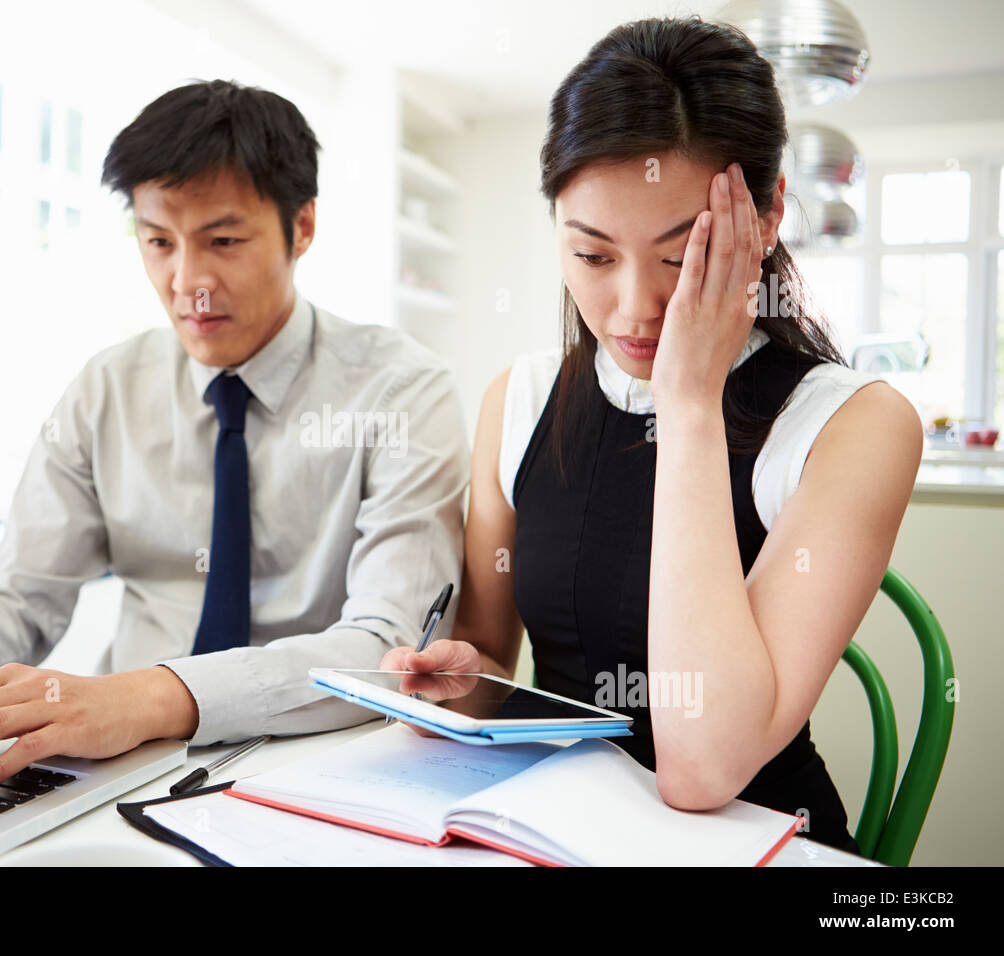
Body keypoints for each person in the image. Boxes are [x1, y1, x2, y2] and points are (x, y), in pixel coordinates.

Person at [383, 16, 922, 855]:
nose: (635, 310)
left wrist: (690, 402)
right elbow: (491, 653)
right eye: (593, 256)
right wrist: (455, 685)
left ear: (768, 216)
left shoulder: (856, 425)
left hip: (757, 840)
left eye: (680, 258)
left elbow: (702, 771)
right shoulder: (519, 399)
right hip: (554, 827)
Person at [0, 79, 470, 797]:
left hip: (319, 771)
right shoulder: (107, 389)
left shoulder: (403, 392)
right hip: (118, 768)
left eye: (223, 241)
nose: (187, 281)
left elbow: (387, 648)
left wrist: (147, 697)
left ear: (302, 227)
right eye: (158, 242)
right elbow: (25, 595)